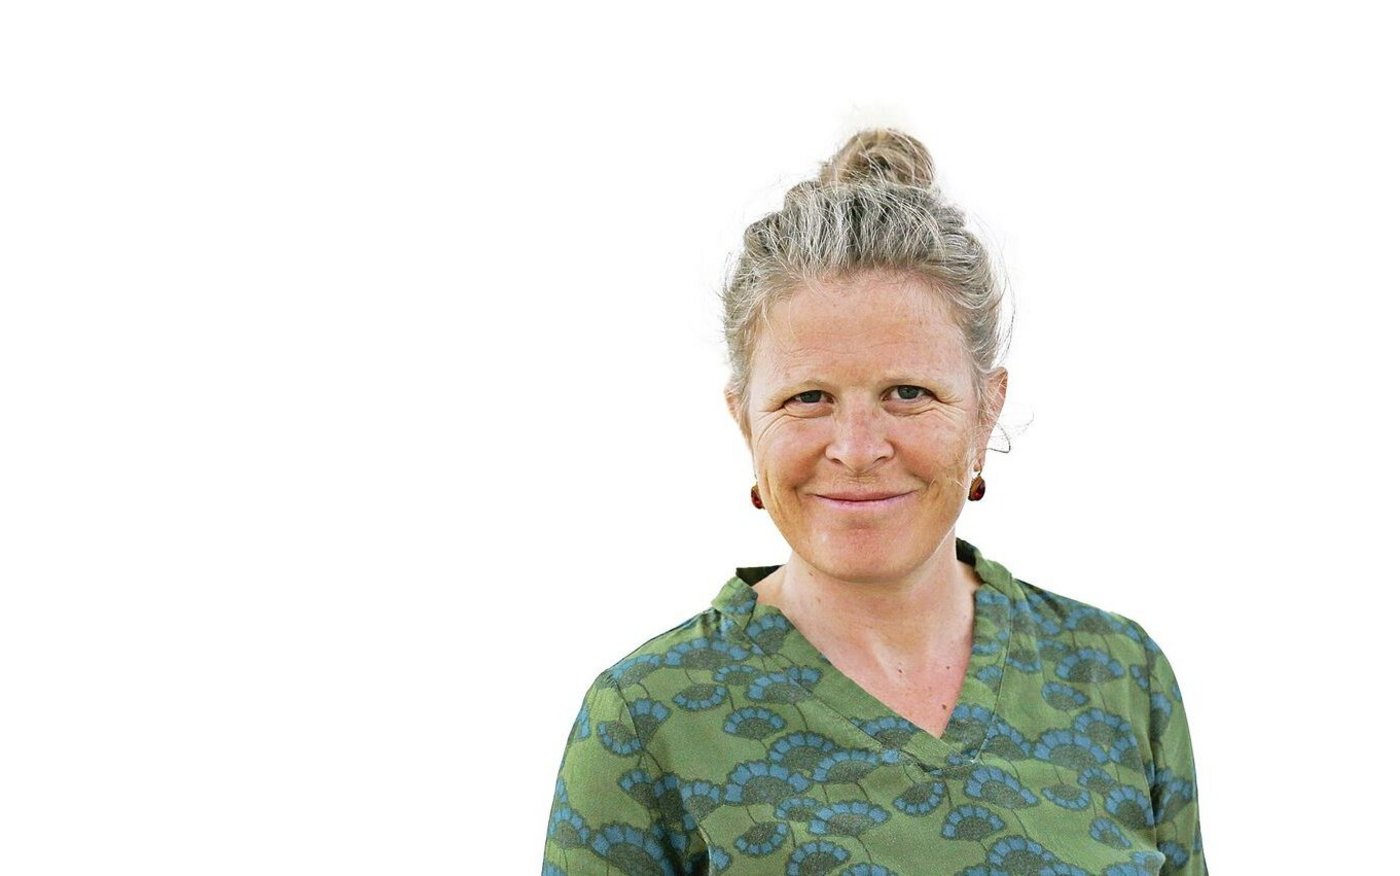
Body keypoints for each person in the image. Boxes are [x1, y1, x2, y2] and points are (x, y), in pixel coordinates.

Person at [541, 129, 1207, 875]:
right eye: (808, 398)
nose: (857, 449)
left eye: (908, 393)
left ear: (987, 409)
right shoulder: (645, 721)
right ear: (745, 420)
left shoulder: (1120, 676)